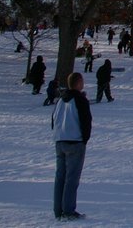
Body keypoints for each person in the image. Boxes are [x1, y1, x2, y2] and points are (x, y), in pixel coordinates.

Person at [52, 72, 92, 219]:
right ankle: (68, 210)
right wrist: (84, 139)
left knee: (60, 177)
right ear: (78, 83)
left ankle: (58, 210)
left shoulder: (61, 100)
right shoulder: (80, 100)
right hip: (75, 142)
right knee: (72, 179)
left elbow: (54, 119)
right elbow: (86, 121)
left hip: (60, 140)